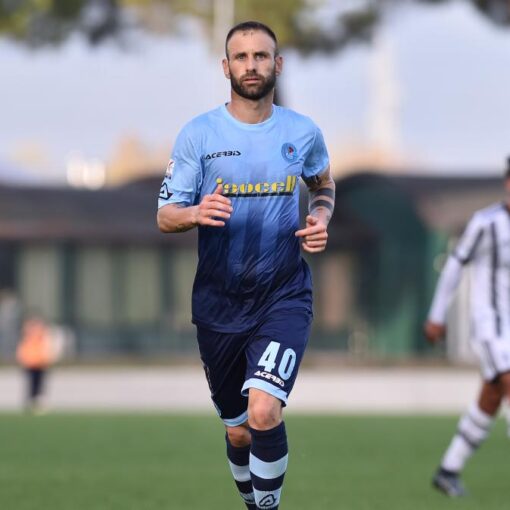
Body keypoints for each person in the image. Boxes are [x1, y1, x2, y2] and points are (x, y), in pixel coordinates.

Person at [157, 20, 335, 510]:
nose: (251, 65)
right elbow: (165, 215)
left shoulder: (302, 132)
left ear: (277, 64)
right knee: (238, 431)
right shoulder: (199, 135)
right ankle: (253, 502)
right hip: (218, 303)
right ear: (226, 67)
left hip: (283, 296)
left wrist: (321, 217)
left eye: (260, 56)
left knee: (264, 411)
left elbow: (322, 184)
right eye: (241, 57)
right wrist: (195, 213)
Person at [424, 157, 510, 497]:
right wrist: (437, 315)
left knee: (492, 395)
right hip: (490, 325)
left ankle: (448, 471)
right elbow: (454, 267)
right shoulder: (486, 223)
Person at [16, 315, 54, 414]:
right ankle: (31, 401)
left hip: (40, 361)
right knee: (32, 383)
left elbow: (46, 346)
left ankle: (37, 402)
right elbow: (24, 347)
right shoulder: (29, 333)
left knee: (39, 383)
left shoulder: (42, 333)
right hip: (30, 361)